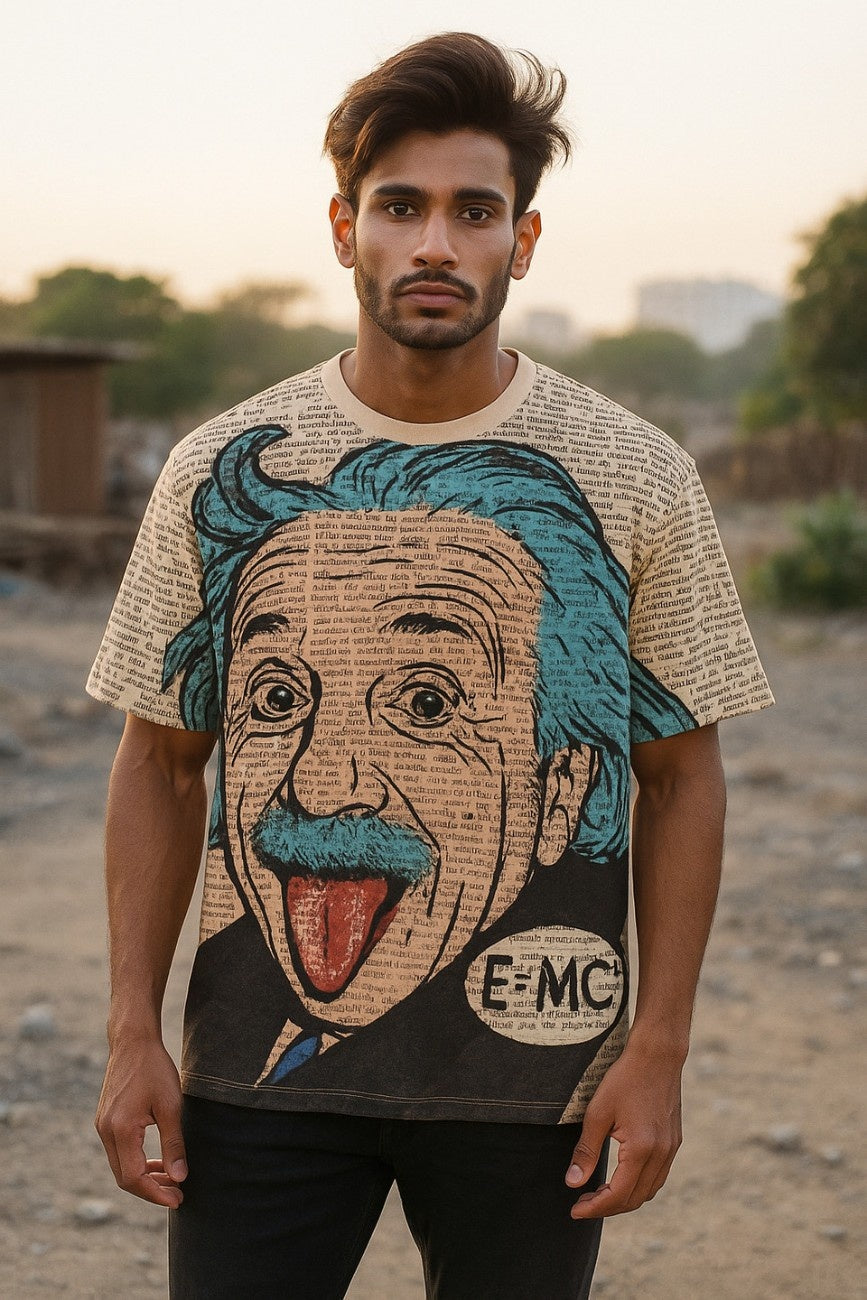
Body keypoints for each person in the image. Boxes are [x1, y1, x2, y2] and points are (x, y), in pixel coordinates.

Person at [88, 31, 773, 1300]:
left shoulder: (636, 474)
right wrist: (134, 1031)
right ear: (344, 228)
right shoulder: (213, 465)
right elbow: (160, 762)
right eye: (400, 207)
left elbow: (683, 777)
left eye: (475, 211)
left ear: (525, 239)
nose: (435, 244)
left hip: (537, 1087)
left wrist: (660, 1049)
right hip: (252, 1094)